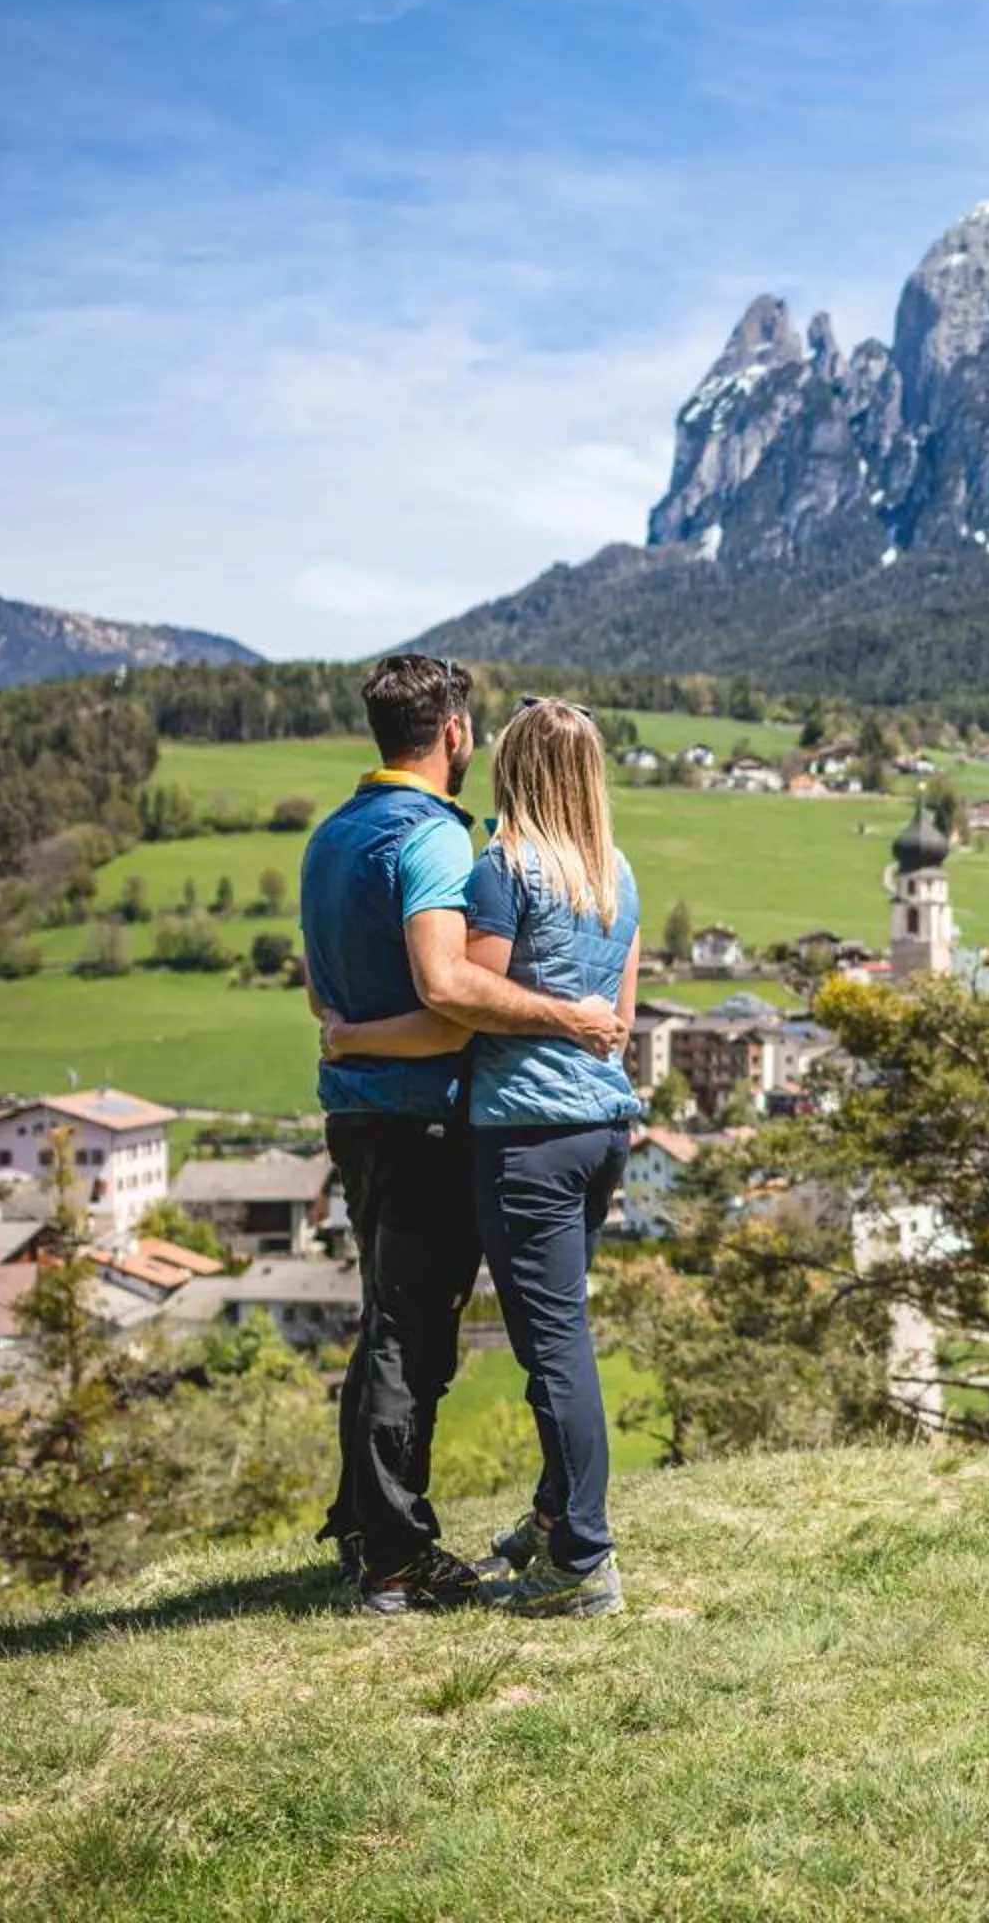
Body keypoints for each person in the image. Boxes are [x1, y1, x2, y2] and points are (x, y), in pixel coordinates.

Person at [302, 657, 623, 1616]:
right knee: (418, 1342)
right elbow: (451, 1002)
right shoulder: (438, 842)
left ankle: (371, 1528)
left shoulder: (331, 836)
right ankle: (398, 1558)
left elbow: (320, 982)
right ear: (455, 735)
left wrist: (348, 1034)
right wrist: (570, 1017)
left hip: (355, 1111)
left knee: (388, 1329)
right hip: (428, 1117)